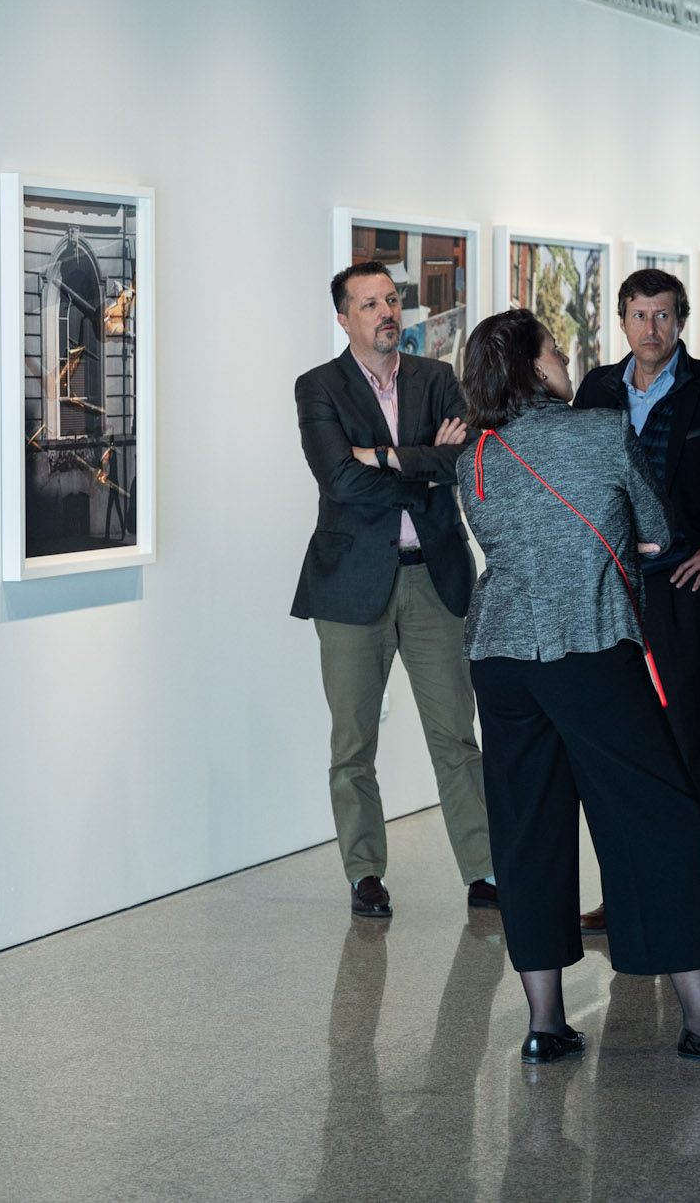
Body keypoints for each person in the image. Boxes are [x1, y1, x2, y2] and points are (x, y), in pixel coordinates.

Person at [458, 307, 700, 1069]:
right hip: (590, 646)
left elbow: (506, 538)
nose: (568, 361)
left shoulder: (472, 454)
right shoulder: (600, 431)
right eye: (557, 351)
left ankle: (545, 1023)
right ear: (536, 367)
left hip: (501, 657)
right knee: (662, 817)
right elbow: (659, 528)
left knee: (527, 827)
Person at [292, 261, 496, 919]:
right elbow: (337, 481)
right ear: (344, 316)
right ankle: (364, 872)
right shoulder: (318, 387)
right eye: (371, 303)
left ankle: (484, 869)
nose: (387, 312)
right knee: (352, 743)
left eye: (392, 300)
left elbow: (464, 462)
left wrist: (376, 455)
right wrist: (419, 462)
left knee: (456, 735)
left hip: (434, 577)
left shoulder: (439, 379)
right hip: (350, 585)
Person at [571, 269, 700, 932]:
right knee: (618, 748)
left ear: (681, 319)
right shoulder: (597, 387)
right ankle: (625, 889)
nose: (650, 329)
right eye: (638, 315)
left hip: (685, 589)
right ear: (621, 320)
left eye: (662, 315)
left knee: (689, 744)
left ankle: (693, 890)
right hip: (610, 592)